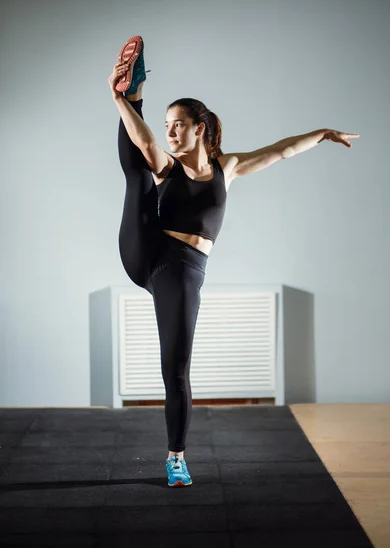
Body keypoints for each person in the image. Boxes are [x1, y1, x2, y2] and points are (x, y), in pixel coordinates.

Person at [108, 36, 360, 488]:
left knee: (176, 368)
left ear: (199, 127)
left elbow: (281, 150)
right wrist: (119, 102)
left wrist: (322, 134)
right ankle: (132, 92)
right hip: (148, 250)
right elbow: (146, 146)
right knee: (138, 171)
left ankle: (176, 458)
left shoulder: (228, 167)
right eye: (166, 124)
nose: (170, 132)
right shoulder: (168, 165)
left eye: (177, 124)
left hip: (183, 271)